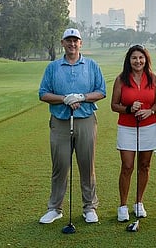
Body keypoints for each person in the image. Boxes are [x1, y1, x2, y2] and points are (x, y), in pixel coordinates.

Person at [38, 28, 106, 224]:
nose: (72, 44)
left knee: (87, 165)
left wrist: (82, 97)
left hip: (85, 120)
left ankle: (89, 207)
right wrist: (64, 99)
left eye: (75, 40)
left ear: (81, 43)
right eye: (69, 40)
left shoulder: (91, 65)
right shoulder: (53, 67)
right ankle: (55, 208)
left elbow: (101, 91)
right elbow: (43, 94)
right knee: (60, 166)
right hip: (60, 120)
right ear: (63, 43)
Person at [111, 44, 156, 222]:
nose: (138, 61)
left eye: (141, 58)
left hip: (148, 127)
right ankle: (123, 205)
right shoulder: (121, 79)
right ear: (129, 60)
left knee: (145, 165)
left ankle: (138, 202)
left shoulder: (153, 78)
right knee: (127, 166)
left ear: (146, 59)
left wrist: (150, 111)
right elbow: (114, 105)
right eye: (134, 58)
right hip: (127, 127)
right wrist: (129, 109)